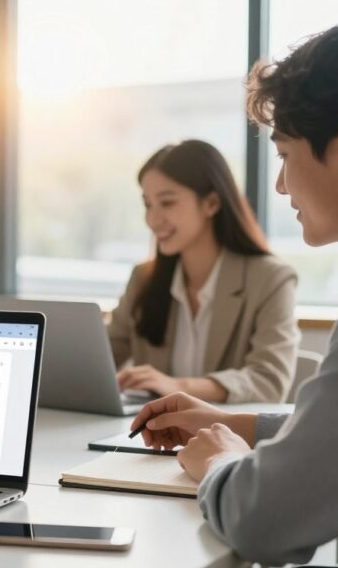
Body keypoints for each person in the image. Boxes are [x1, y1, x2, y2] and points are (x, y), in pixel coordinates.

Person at [130, 17, 338, 568]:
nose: (279, 185)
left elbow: (266, 522)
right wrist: (238, 424)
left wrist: (219, 459)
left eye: (285, 154)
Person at [108, 140, 299, 403]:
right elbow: (101, 357)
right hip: (151, 436)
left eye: (167, 203)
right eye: (148, 204)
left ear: (211, 203)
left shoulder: (270, 279)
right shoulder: (144, 278)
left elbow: (268, 381)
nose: (152, 220)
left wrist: (177, 386)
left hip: (228, 438)